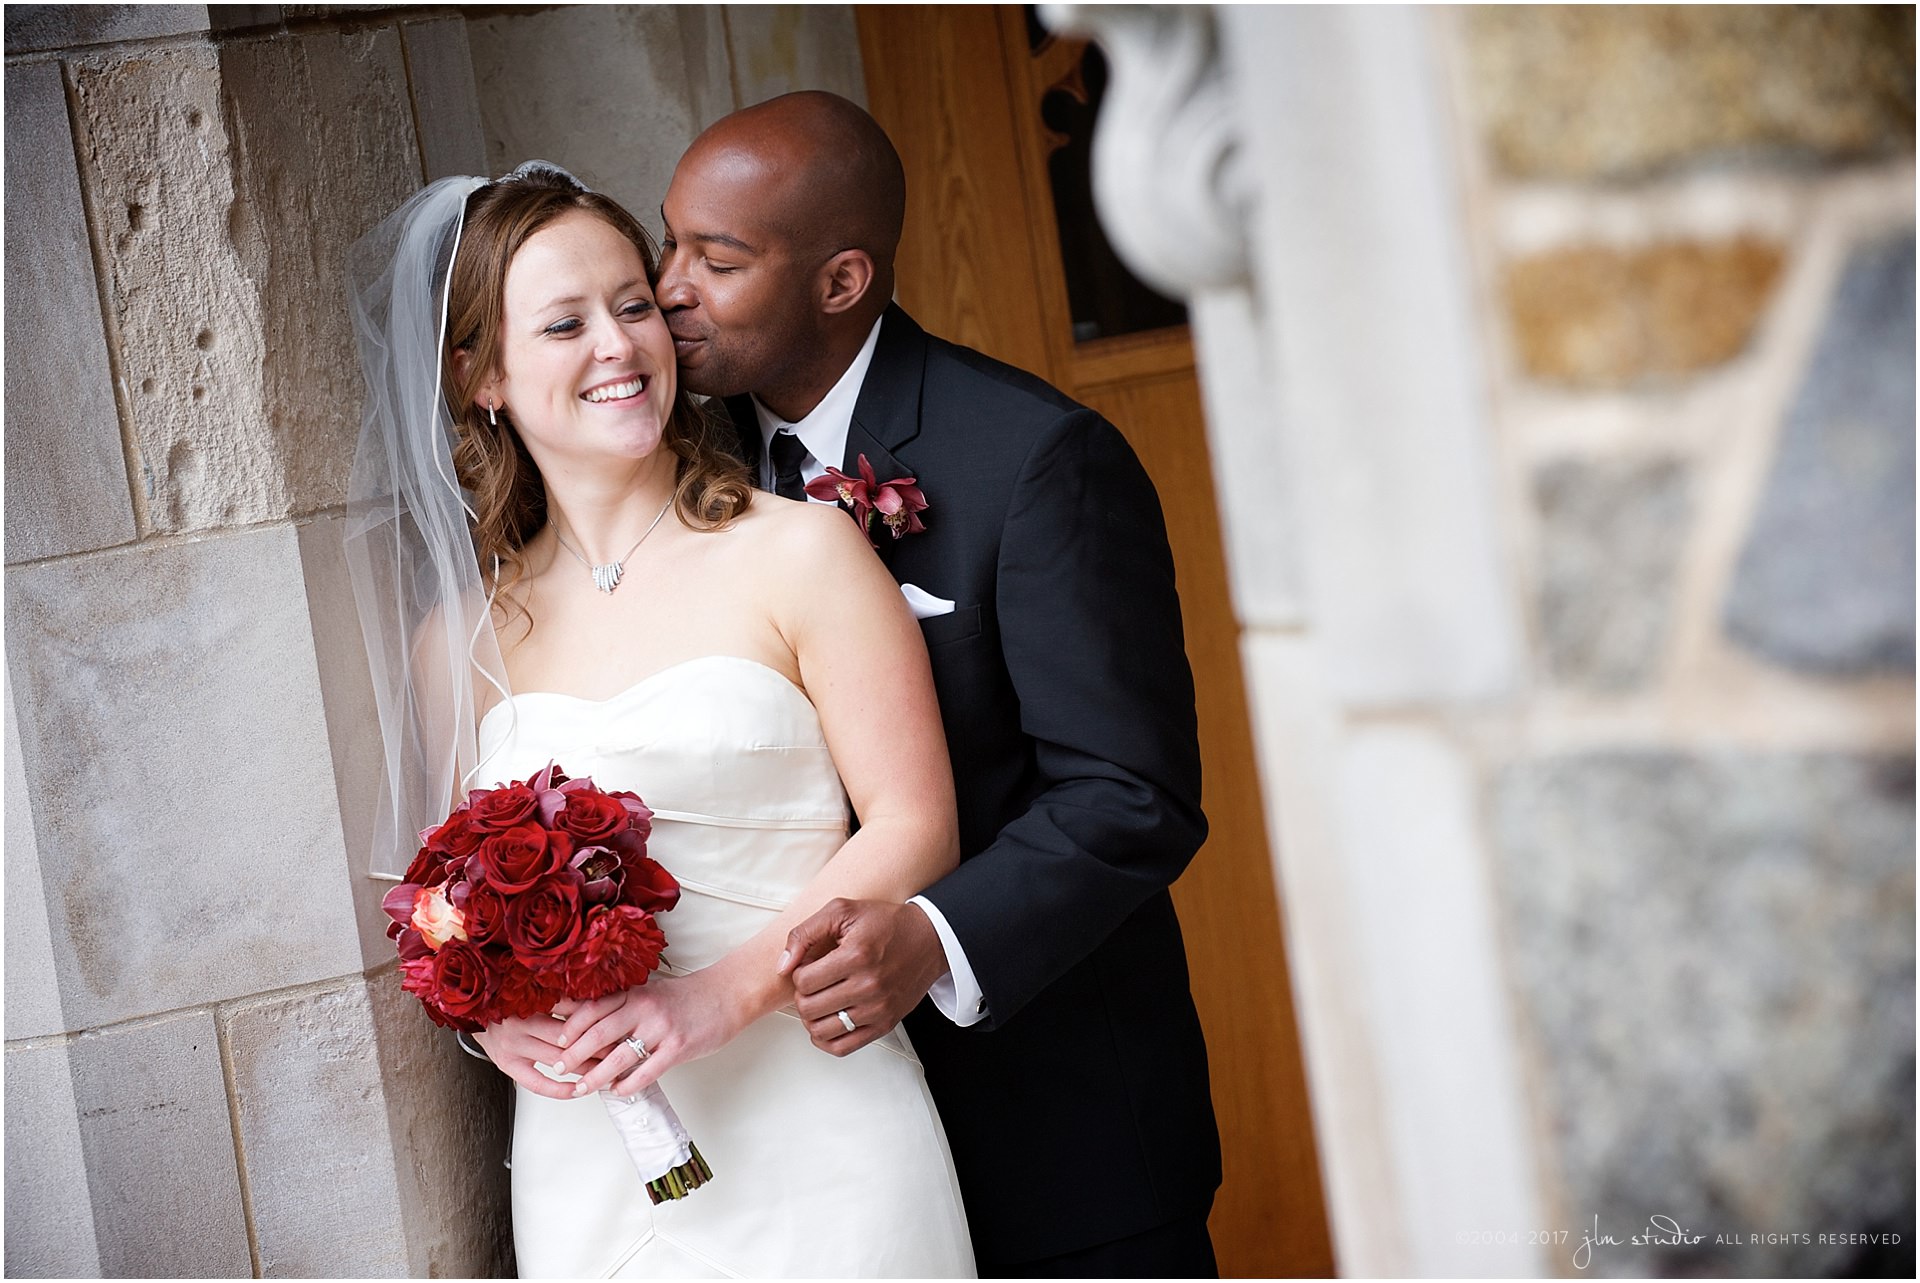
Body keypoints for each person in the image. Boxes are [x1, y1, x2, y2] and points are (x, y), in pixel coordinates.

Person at [344, 165, 975, 1277]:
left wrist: (721, 998)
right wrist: (495, 1019)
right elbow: (447, 910)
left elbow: (916, 823)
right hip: (590, 1157)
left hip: (820, 1121)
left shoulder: (801, 551)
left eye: (635, 304)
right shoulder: (461, 637)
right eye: (564, 322)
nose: (619, 346)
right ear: (481, 374)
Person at [652, 92, 1223, 1277]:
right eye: (670, 243)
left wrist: (932, 933)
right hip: (812, 1151)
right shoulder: (679, 476)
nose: (668, 289)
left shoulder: (1034, 459)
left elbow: (1130, 791)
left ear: (841, 280)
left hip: (1055, 1135)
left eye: (717, 258)